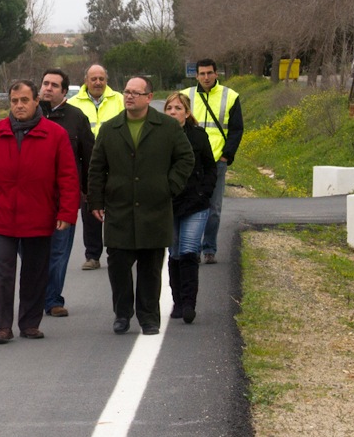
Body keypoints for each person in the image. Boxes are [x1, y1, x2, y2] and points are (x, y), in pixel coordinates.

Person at [0, 80, 80, 344]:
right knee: (3, 269)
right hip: (3, 215)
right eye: (14, 101)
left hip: (39, 214)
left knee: (35, 270)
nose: (18, 105)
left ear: (35, 102)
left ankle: (30, 323)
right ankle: (3, 326)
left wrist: (66, 213)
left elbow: (67, 177)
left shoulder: (55, 134)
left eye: (24, 100)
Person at [87, 76, 194, 336]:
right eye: (126, 92)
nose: (129, 96)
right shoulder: (110, 129)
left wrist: (169, 187)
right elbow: (96, 168)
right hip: (119, 210)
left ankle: (149, 318)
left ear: (149, 97)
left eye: (136, 92)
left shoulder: (167, 127)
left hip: (154, 209)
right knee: (118, 266)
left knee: (150, 267)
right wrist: (97, 201)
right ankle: (122, 314)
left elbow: (185, 158)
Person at [38, 68, 94, 318]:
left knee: (59, 250)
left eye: (54, 85)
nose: (48, 88)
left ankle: (52, 300)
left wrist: (86, 190)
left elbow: (89, 157)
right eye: (45, 83)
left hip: (65, 197)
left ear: (64, 91)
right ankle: (36, 295)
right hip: (33, 197)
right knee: (34, 251)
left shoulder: (76, 118)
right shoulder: (29, 113)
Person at [162, 91, 216, 324]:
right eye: (169, 108)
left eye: (178, 108)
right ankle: (177, 300)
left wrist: (204, 192)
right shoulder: (158, 137)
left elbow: (210, 168)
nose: (173, 112)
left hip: (195, 203)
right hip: (168, 203)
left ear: (187, 112)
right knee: (174, 253)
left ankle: (189, 303)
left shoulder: (198, 136)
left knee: (189, 251)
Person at [183, 58, 243, 264]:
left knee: (213, 208)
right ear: (196, 75)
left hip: (217, 161)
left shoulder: (230, 96)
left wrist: (227, 155)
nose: (206, 77)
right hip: (190, 160)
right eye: (202, 73)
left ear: (216, 74)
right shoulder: (186, 96)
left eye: (209, 73)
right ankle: (192, 248)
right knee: (191, 205)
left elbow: (236, 129)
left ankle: (209, 248)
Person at [69, 64, 124, 271]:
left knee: (117, 211)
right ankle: (92, 255)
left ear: (106, 80)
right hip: (88, 167)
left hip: (117, 164)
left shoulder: (119, 100)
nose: (98, 82)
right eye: (94, 79)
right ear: (86, 81)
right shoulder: (73, 104)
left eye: (101, 78)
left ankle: (116, 252)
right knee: (90, 210)